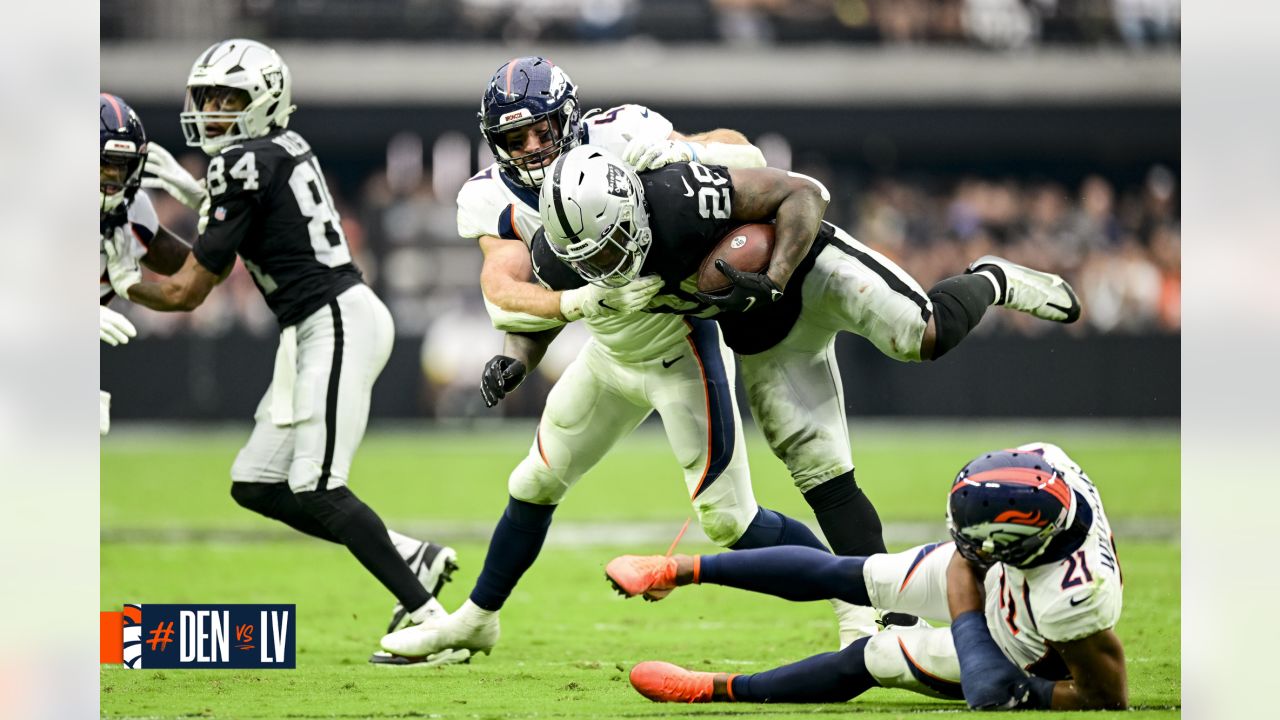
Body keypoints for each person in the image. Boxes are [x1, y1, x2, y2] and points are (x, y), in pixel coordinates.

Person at [378, 56, 830, 662]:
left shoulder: (620, 134)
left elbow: (743, 153)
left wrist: (684, 153)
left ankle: (861, 592)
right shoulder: (491, 195)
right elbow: (504, 288)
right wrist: (572, 305)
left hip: (677, 347)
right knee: (533, 480)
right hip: (609, 350)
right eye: (516, 137)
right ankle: (477, 620)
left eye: (543, 129)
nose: (533, 147)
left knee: (728, 521)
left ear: (569, 118)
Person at [534, 144, 1082, 642]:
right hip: (763, 338)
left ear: (631, 206)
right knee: (825, 479)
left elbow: (806, 191)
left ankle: (991, 277)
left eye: (609, 248)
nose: (606, 264)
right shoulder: (563, 255)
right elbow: (522, 299)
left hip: (810, 269)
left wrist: (773, 275)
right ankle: (899, 623)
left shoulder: (679, 198)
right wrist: (525, 348)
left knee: (924, 333)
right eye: (591, 260)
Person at [99, 39, 459, 665]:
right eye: (207, 96)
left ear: (264, 100)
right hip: (314, 325)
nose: (213, 110)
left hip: (333, 319)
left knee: (320, 487)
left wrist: (123, 281)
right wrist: (172, 209)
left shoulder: (240, 162)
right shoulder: (276, 151)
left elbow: (187, 290)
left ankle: (433, 621)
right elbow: (219, 232)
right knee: (257, 483)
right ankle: (410, 556)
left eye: (229, 98)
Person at [606, 442, 1128, 711]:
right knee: (849, 574)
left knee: (873, 657)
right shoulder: (1044, 466)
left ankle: (716, 690)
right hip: (1010, 570)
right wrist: (974, 565)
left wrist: (1024, 692)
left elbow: (1105, 698)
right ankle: (675, 569)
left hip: (1025, 642)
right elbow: (968, 558)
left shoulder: (1075, 596)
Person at [98, 93, 195, 435]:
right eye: (103, 163)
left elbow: (199, 274)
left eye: (121, 165)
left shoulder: (134, 211)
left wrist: (210, 207)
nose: (112, 176)